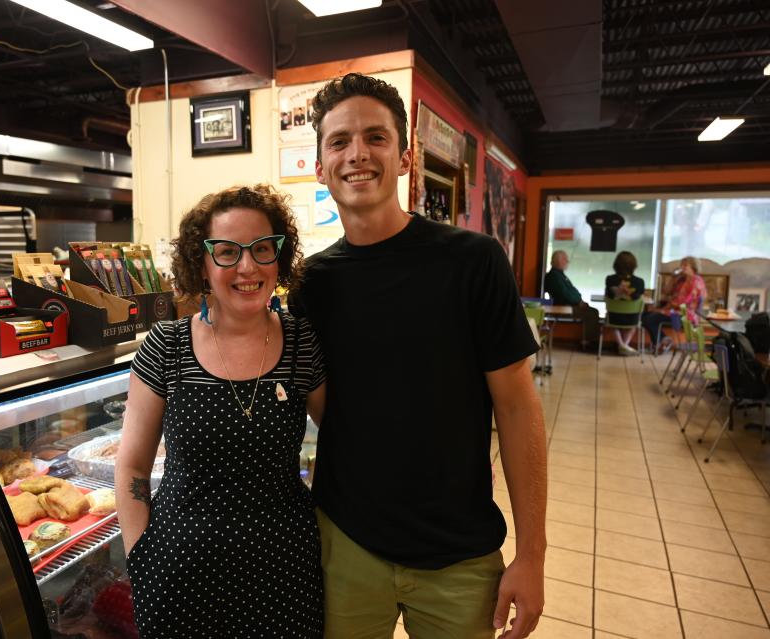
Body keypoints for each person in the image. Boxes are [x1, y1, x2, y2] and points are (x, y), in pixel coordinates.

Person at [290, 73, 546, 639]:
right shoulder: (311, 283)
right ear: (320, 167)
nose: (357, 154)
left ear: (404, 157)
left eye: (375, 137)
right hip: (346, 544)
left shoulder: (473, 262)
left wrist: (532, 554)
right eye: (339, 141)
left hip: (458, 550)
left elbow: (519, 410)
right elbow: (323, 406)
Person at [115, 184, 327, 638]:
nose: (247, 267)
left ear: (279, 258)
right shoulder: (167, 347)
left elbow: (344, 440)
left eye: (262, 249)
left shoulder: (301, 343)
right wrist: (141, 558)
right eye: (227, 252)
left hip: (286, 578)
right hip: (179, 578)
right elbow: (132, 464)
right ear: (201, 263)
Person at [643, 256, 707, 352]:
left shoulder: (696, 281)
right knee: (643, 315)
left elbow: (685, 303)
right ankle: (664, 341)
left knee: (650, 318)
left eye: (685, 265)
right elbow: (667, 291)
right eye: (681, 265)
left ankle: (660, 343)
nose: (682, 267)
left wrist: (666, 307)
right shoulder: (682, 280)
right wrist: (673, 278)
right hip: (673, 311)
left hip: (684, 314)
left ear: (693, 267)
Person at [544, 250, 600, 350]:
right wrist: (579, 302)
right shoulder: (554, 276)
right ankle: (588, 343)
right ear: (558, 261)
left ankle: (588, 341)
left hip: (570, 305)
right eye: (565, 259)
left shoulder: (560, 275)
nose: (567, 262)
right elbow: (564, 295)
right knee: (592, 313)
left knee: (592, 311)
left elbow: (571, 291)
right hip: (563, 307)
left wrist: (579, 300)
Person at [605, 251, 646, 355]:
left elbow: (608, 294)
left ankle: (622, 346)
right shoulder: (639, 282)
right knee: (634, 324)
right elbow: (640, 297)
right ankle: (624, 346)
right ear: (634, 265)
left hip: (614, 316)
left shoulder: (610, 279)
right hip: (632, 318)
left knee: (612, 323)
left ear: (616, 264)